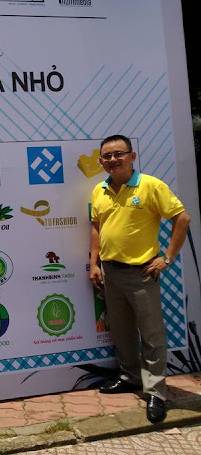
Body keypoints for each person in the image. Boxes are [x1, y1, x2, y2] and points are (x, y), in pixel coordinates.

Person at [89, 134, 190, 424]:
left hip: (142, 273)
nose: (113, 160)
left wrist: (167, 258)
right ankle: (131, 377)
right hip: (110, 272)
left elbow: (182, 218)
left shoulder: (151, 185)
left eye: (118, 154)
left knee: (152, 335)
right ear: (101, 161)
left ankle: (156, 392)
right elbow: (97, 227)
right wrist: (93, 263)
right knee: (122, 331)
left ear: (132, 156)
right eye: (107, 156)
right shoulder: (99, 190)